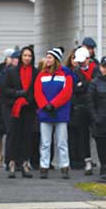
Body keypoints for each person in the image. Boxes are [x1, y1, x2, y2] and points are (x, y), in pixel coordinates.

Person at [34, 47, 73, 179]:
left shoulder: (65, 74)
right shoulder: (41, 75)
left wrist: (54, 104)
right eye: (47, 57)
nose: (47, 60)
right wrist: (45, 105)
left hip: (60, 113)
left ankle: (64, 166)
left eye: (50, 57)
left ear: (56, 59)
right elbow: (37, 91)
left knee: (62, 142)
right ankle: (44, 166)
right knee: (45, 142)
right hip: (45, 112)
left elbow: (67, 92)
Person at [3, 45, 38, 178]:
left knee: (27, 136)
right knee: (13, 135)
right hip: (14, 107)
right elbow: (5, 89)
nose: (27, 58)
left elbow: (37, 89)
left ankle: (24, 163)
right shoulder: (11, 71)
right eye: (25, 55)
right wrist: (18, 94)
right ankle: (12, 162)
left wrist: (29, 99)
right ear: (21, 57)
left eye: (29, 56)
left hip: (29, 107)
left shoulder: (35, 72)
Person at [66, 47, 96, 174]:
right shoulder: (75, 72)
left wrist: (83, 85)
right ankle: (80, 159)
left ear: (88, 59)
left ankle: (89, 158)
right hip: (79, 107)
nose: (80, 63)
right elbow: (74, 88)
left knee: (93, 135)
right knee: (79, 135)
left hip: (93, 107)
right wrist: (85, 85)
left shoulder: (95, 70)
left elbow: (94, 86)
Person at [0, 48, 15, 168]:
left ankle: (11, 157)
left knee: (11, 133)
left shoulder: (16, 70)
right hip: (0, 105)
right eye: (9, 57)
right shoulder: (0, 70)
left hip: (11, 104)